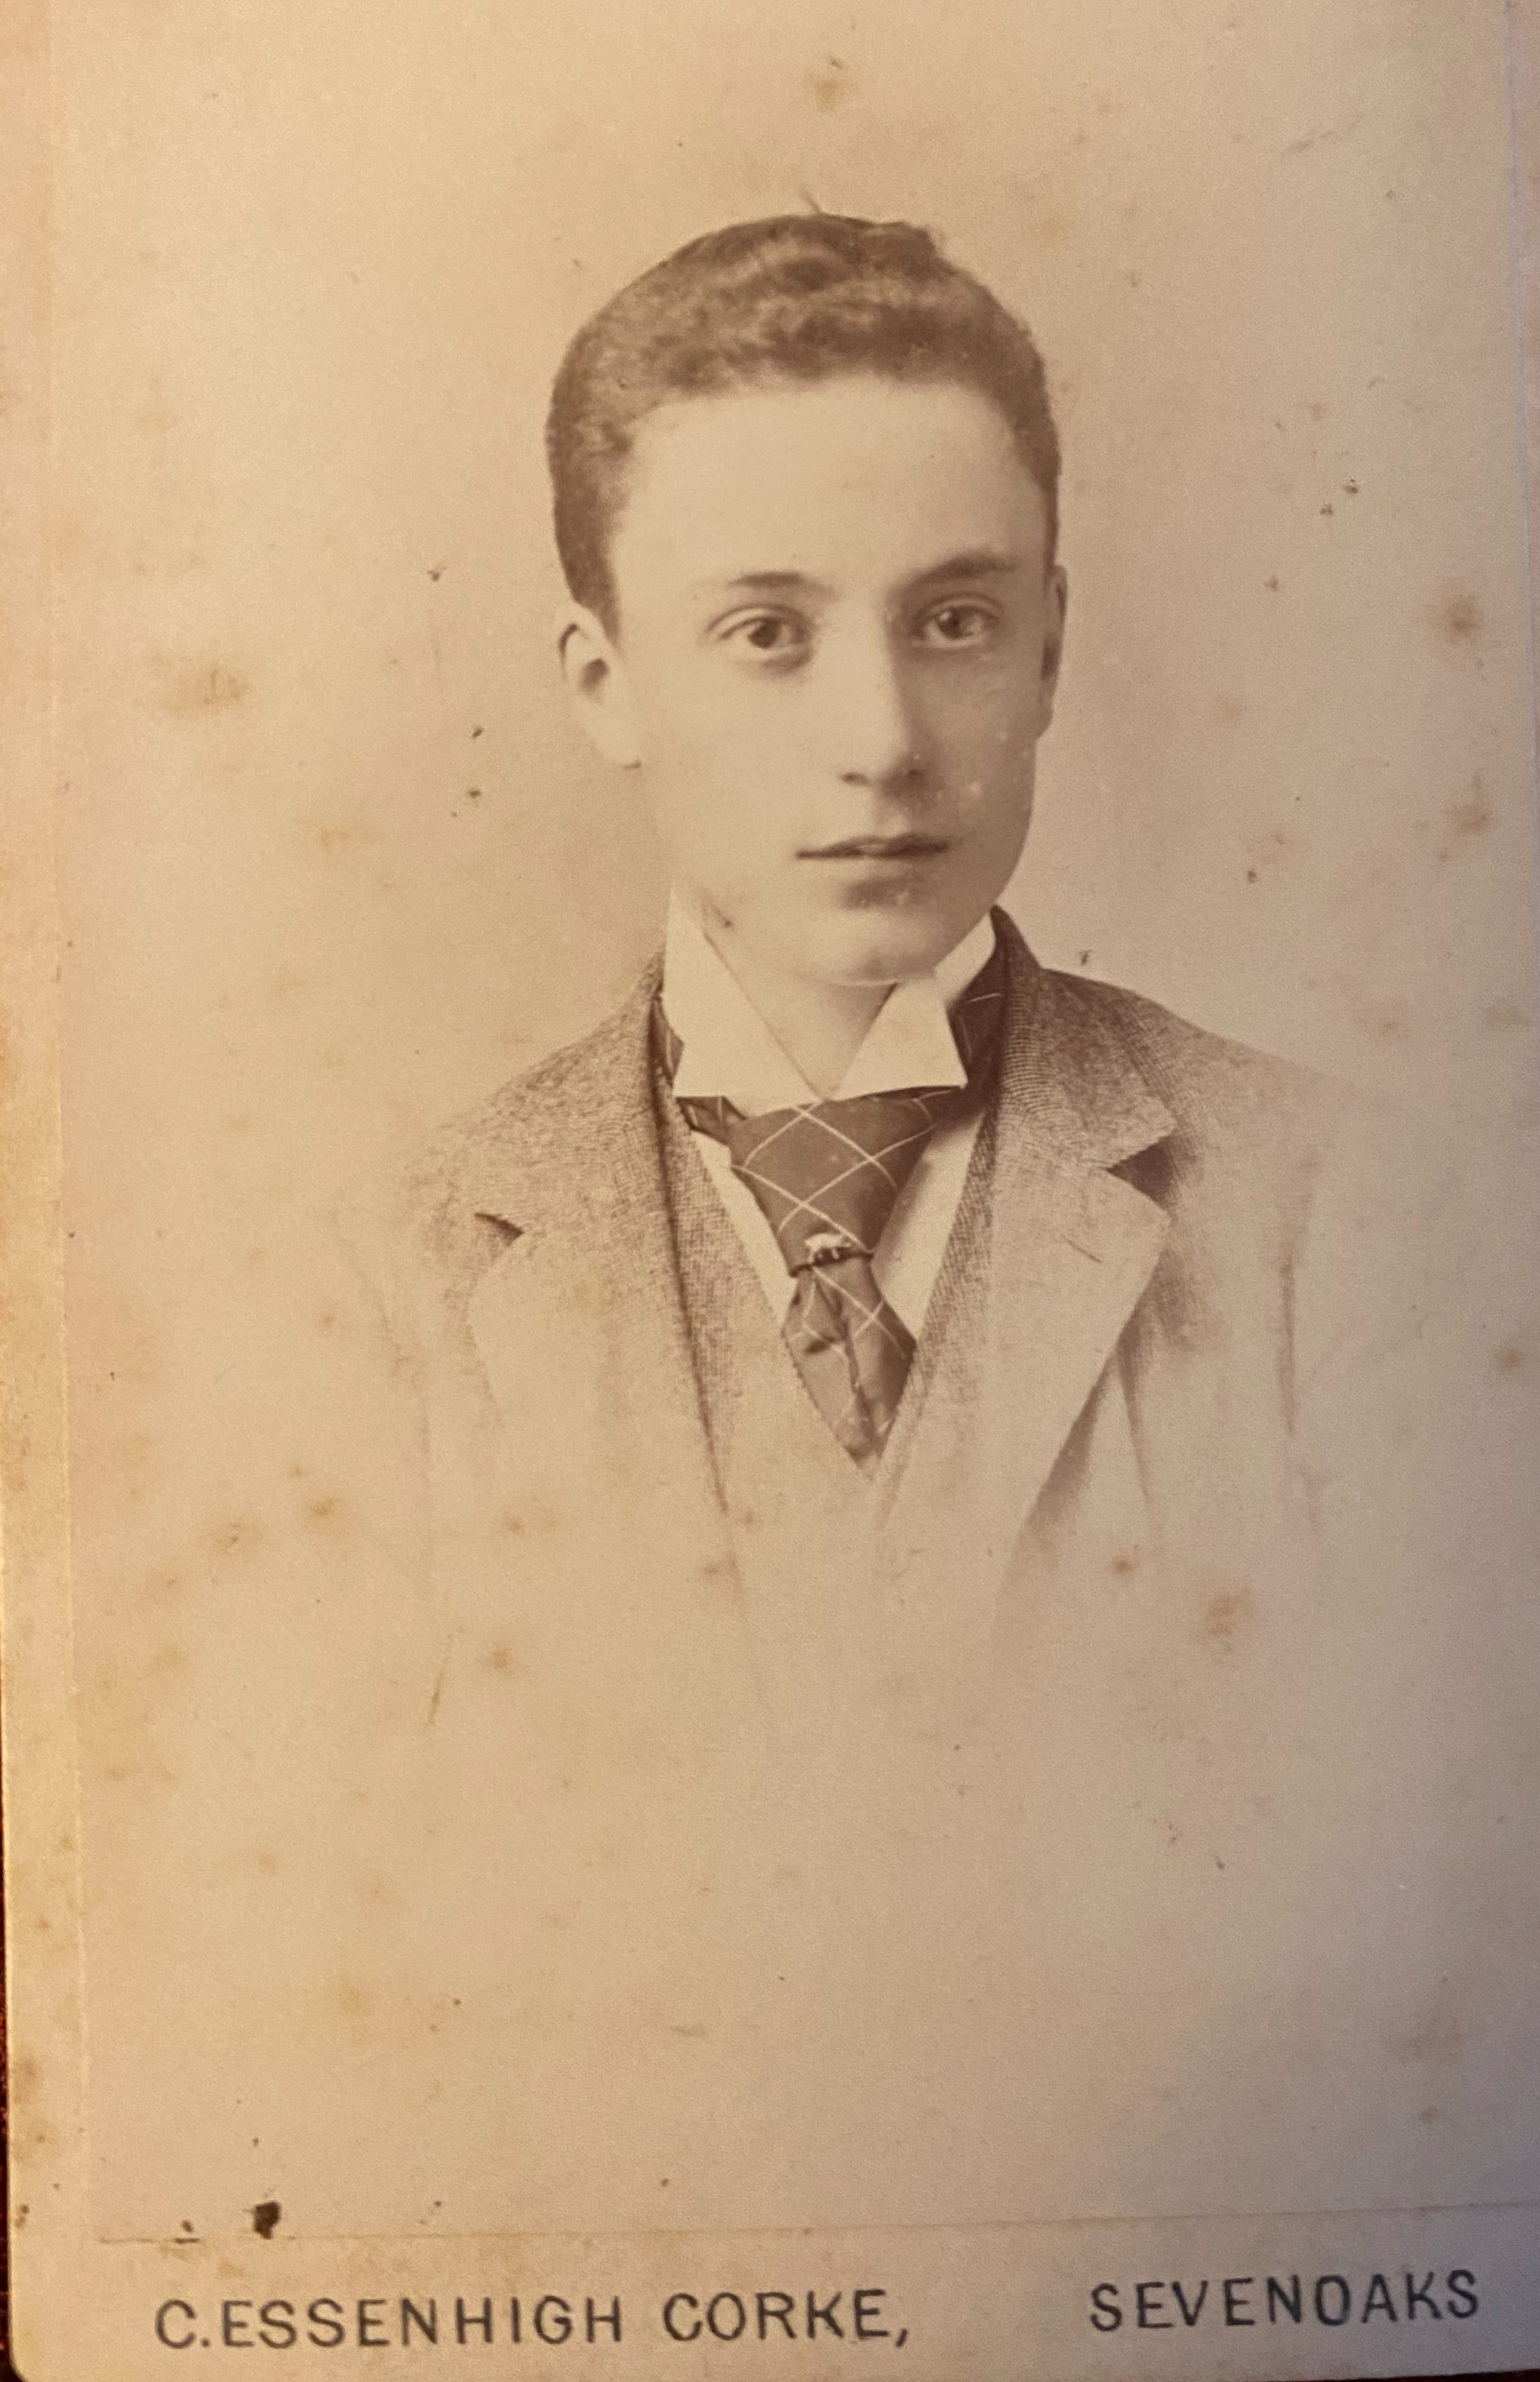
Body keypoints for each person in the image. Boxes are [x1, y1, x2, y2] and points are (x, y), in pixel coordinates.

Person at [339, 215, 1472, 2228]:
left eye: (952, 619)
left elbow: (1439, 1972)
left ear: (1050, 647)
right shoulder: (391, 1278)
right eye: (765, 631)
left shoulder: (1351, 1223)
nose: (878, 737)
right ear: (604, 680)